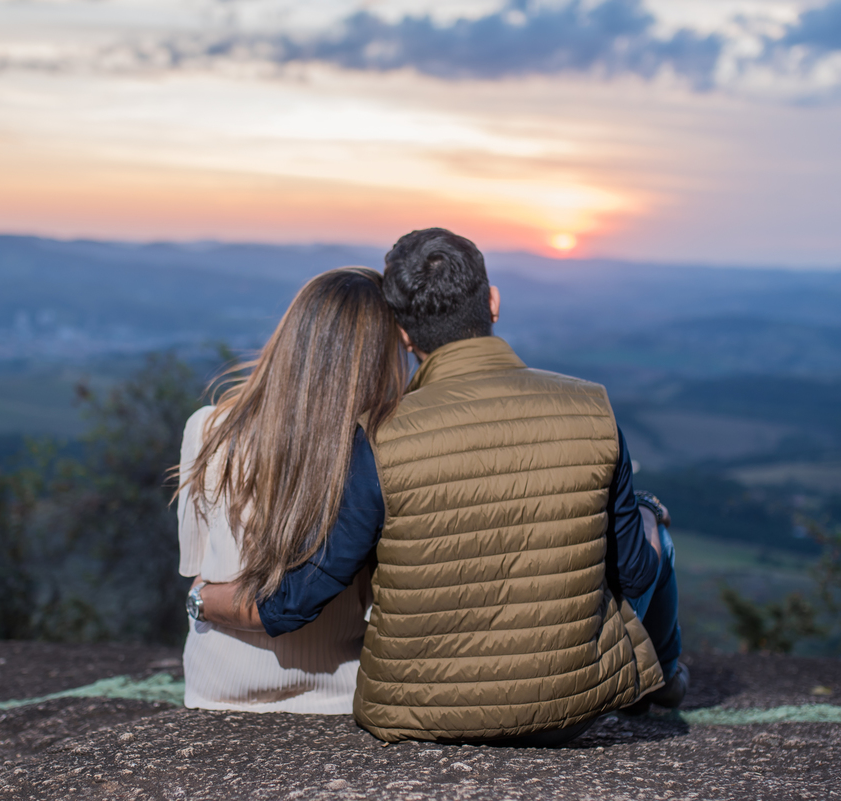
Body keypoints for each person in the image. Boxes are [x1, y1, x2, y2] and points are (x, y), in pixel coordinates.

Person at [197, 228, 685, 745]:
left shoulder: (379, 435)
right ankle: (667, 680)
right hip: (571, 710)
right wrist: (644, 514)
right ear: (493, 302)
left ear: (405, 335)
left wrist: (203, 599)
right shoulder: (592, 407)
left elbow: (294, 601)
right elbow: (635, 573)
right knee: (654, 523)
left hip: (417, 718)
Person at [176, 266, 407, 713]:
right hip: (341, 689)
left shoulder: (207, 430)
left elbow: (197, 574)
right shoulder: (384, 447)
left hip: (220, 688)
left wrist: (202, 602)